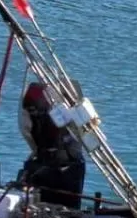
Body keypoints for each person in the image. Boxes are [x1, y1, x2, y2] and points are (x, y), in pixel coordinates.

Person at [18, 81, 87, 209]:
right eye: (31, 110)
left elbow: (26, 130)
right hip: (50, 163)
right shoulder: (34, 119)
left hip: (65, 168)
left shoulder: (66, 118)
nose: (34, 112)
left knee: (65, 208)